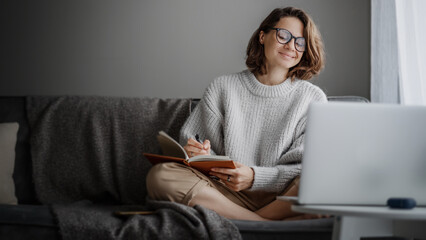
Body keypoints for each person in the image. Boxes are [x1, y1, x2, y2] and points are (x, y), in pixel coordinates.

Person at [146, 6, 327, 221]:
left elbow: (307, 167)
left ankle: (247, 221)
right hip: (226, 194)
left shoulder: (313, 98)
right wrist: (198, 153)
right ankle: (263, 224)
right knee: (160, 175)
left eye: (300, 42)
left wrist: (254, 177)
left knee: (322, 179)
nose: (291, 46)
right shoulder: (223, 87)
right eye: (284, 35)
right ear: (262, 36)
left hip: (282, 196)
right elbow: (193, 142)